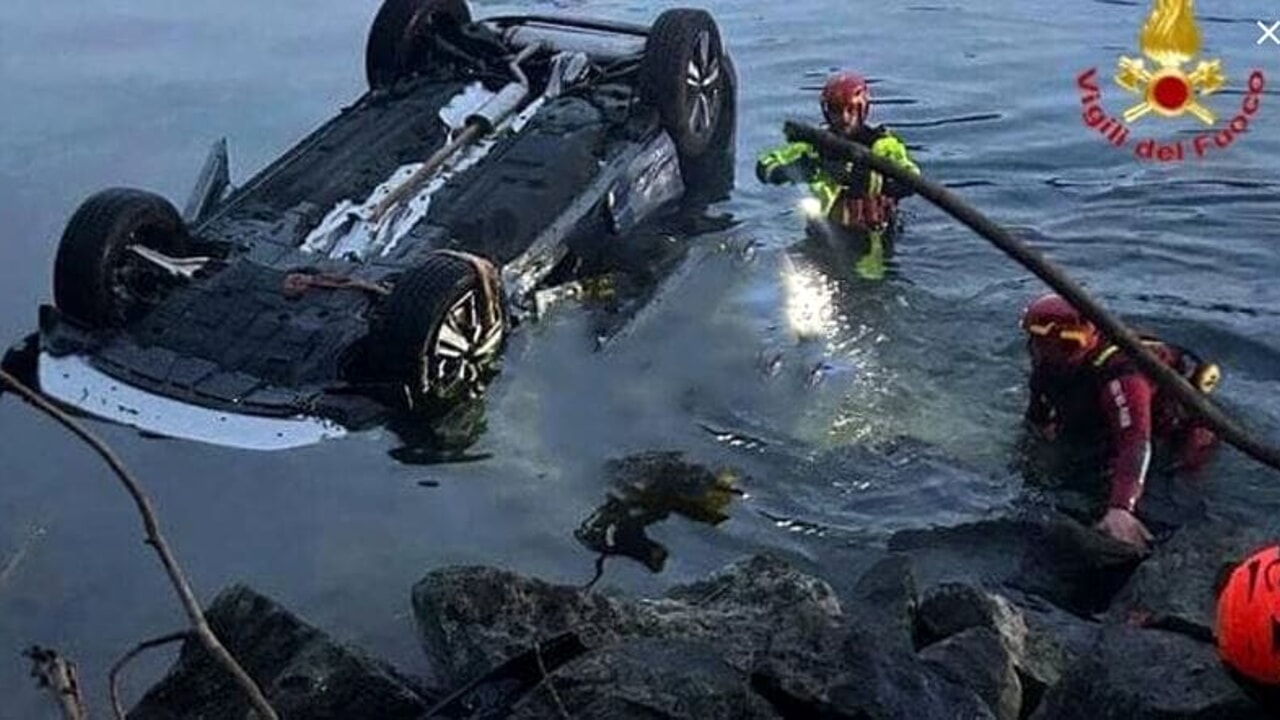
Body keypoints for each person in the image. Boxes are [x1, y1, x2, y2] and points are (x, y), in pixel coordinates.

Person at [1019, 292, 1220, 551]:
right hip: (1104, 426)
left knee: (1168, 506)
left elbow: (1135, 441)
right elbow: (1038, 419)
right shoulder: (1048, 365)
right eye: (1038, 343)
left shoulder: (1122, 374)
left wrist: (1121, 508)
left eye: (1065, 346)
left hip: (1172, 438)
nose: (1044, 351)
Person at [756, 71, 920, 279]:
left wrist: (873, 182)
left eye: (851, 110)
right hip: (822, 235)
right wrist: (797, 169)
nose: (843, 118)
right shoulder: (814, 146)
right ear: (826, 111)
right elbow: (764, 166)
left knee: (867, 287)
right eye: (836, 110)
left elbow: (911, 180)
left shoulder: (883, 146)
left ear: (862, 110)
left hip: (870, 240)